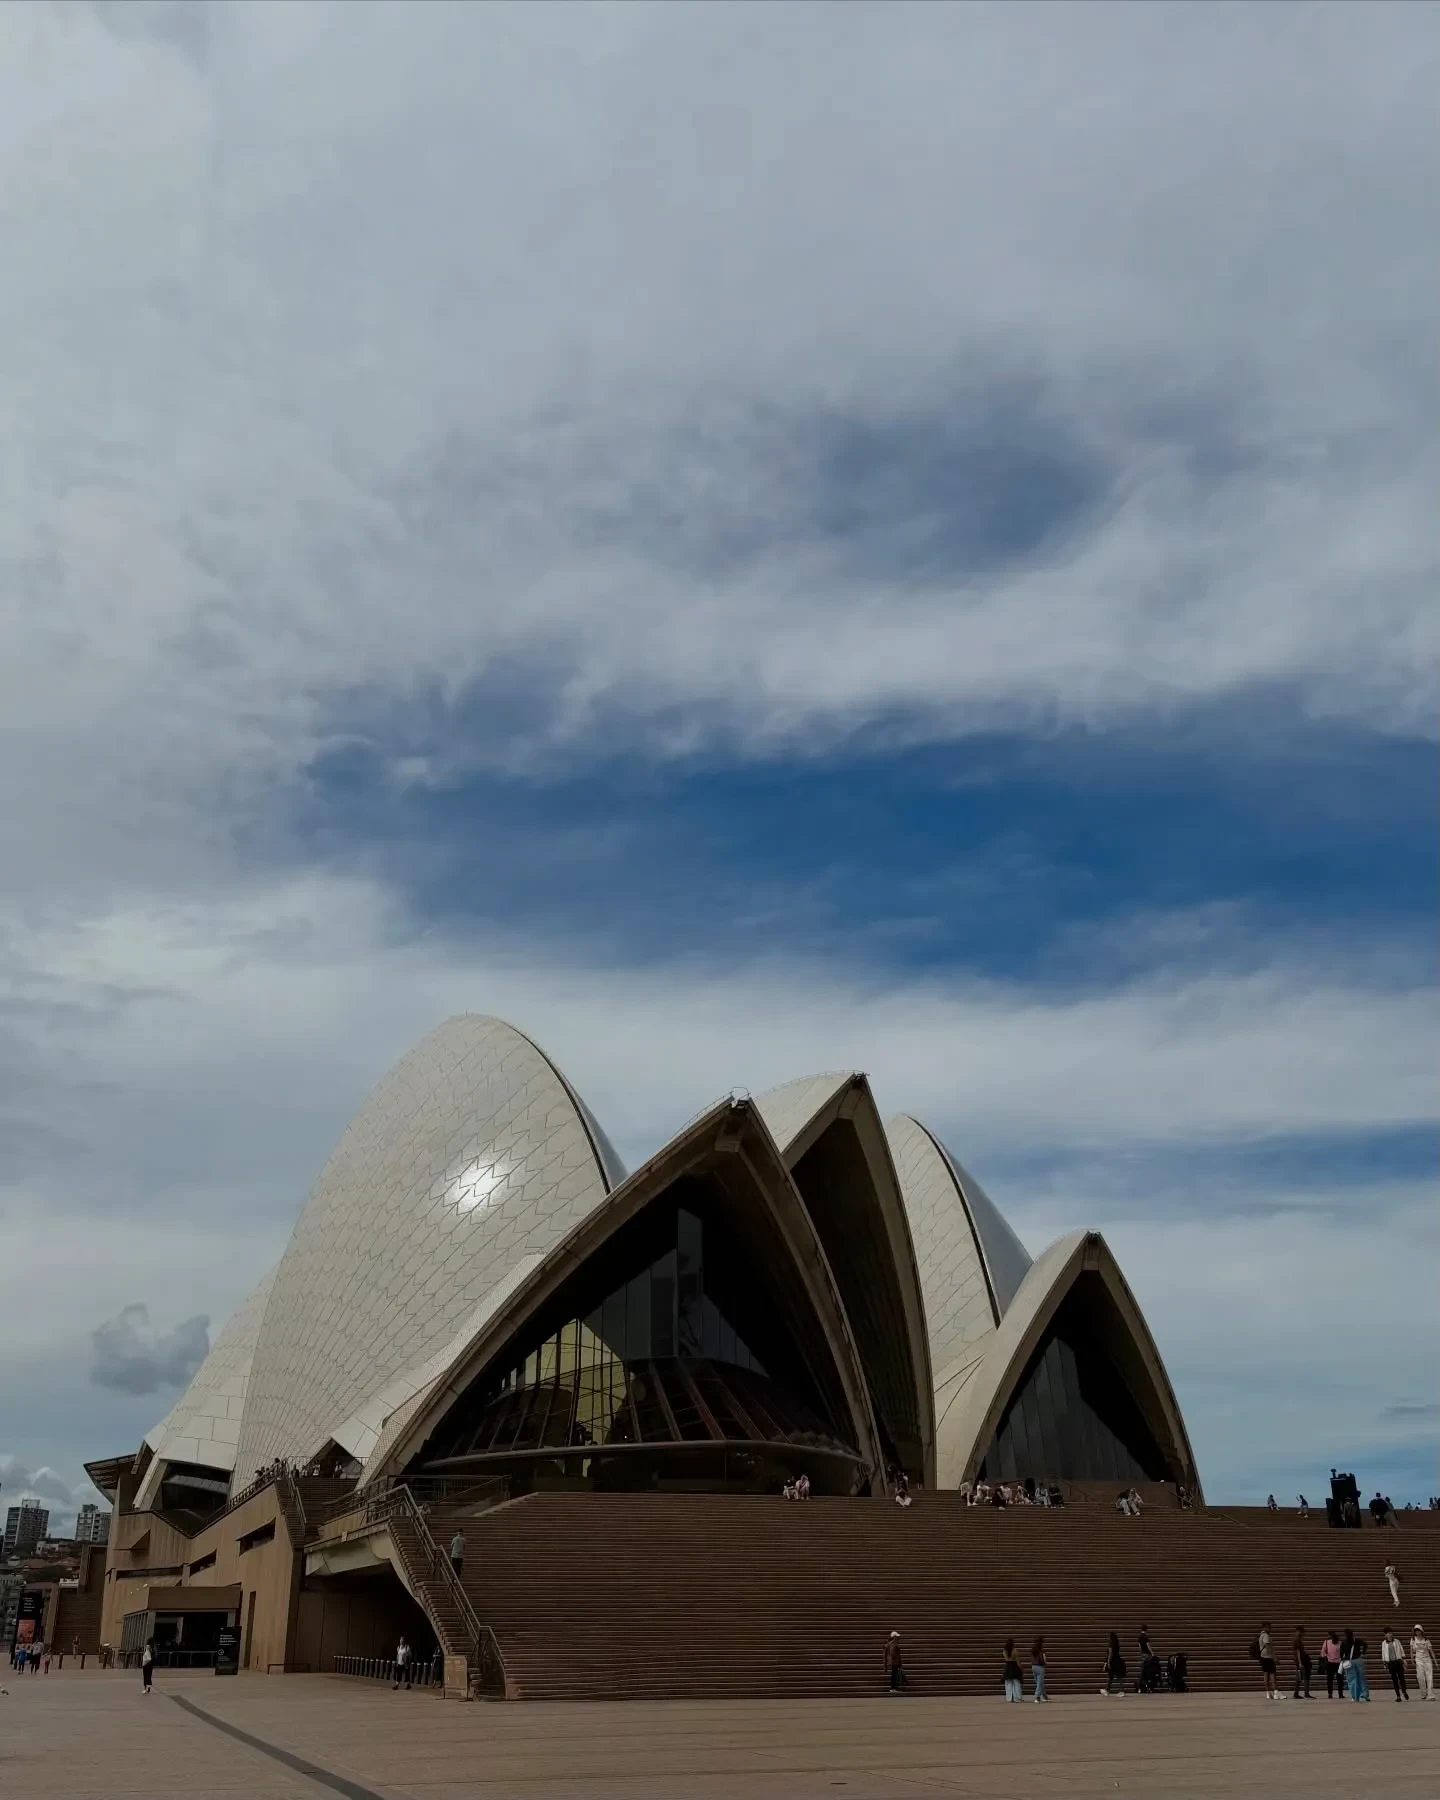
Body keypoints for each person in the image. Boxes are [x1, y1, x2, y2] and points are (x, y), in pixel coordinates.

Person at [1380, 1631, 1408, 1701]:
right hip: (1390, 1663)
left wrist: (1404, 1660)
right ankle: (1398, 1696)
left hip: (1398, 1661)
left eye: (1390, 1633)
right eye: (1388, 1633)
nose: (1389, 1635)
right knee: (1394, 1680)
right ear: (1385, 1635)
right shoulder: (1384, 1643)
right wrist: (1384, 1663)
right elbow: (1383, 1653)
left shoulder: (1397, 1641)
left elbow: (1401, 1650)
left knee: (1401, 1678)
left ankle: (1404, 1691)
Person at [1410, 1626, 1434, 1701]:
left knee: (1429, 1677)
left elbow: (1431, 1651)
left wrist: (1435, 1661)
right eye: (1416, 1631)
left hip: (1427, 1659)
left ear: (1421, 1631)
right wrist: (1412, 1659)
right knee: (1420, 1677)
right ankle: (1424, 1694)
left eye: (1418, 1630)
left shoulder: (1426, 1639)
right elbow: (1411, 1650)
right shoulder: (1413, 1639)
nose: (1417, 1632)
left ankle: (1431, 1695)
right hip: (1418, 1659)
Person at [1346, 1635, 1371, 1701]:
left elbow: (1342, 1653)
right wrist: (1363, 1652)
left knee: (1353, 1680)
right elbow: (1365, 1644)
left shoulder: (1345, 1642)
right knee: (1362, 1678)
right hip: (1358, 1660)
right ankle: (1365, 1695)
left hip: (1350, 1661)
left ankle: (1355, 1697)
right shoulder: (1357, 1640)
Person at [1257, 1622, 1278, 1699]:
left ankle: (1268, 1693)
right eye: (1269, 1627)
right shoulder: (1266, 1635)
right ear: (1264, 1627)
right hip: (1268, 1657)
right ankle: (1275, 1692)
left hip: (1263, 1657)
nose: (1270, 1629)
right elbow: (1267, 1646)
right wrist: (1274, 1657)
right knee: (1272, 1674)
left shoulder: (1261, 1635)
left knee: (1266, 1674)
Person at [1320, 1630, 1343, 1699]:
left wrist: (1326, 1657)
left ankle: (1330, 1694)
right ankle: (1340, 1694)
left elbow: (1322, 1652)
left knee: (1329, 1679)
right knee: (1340, 1679)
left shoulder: (1326, 1642)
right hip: (1339, 1663)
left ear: (1329, 1635)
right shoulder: (1340, 1642)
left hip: (1329, 1663)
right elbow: (1342, 1652)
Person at [1292, 1625, 1312, 1698]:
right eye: (1302, 1632)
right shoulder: (1297, 1639)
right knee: (1306, 1676)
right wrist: (1300, 1662)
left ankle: (1296, 1693)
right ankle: (1306, 1693)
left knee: (1299, 1677)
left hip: (1300, 1660)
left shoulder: (1297, 1639)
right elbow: (1298, 1651)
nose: (1303, 1634)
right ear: (1299, 1631)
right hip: (1302, 1661)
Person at [1001, 1638, 1023, 1702]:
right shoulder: (1015, 1651)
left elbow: (1006, 1658)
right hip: (1014, 1666)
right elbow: (1018, 1661)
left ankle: (1009, 1698)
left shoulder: (1004, 1651)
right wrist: (1021, 1668)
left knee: (1008, 1683)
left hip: (1008, 1666)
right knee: (1016, 1683)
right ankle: (1017, 1698)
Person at [1030, 1635, 1047, 1703]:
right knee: (1039, 1683)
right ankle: (1037, 1697)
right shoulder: (1041, 1650)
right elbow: (1043, 1659)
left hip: (1033, 1666)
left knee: (1038, 1682)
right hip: (1040, 1667)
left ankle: (1044, 1696)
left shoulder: (1033, 1650)